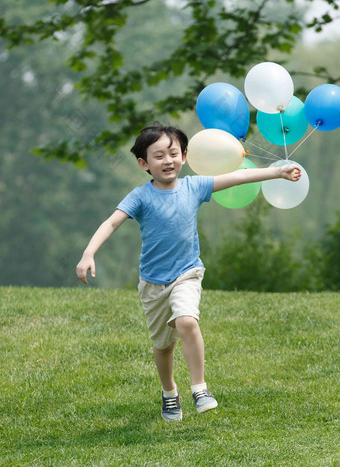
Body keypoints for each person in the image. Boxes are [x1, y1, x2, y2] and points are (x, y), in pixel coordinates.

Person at [76, 124, 301, 422]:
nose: (168, 160)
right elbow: (111, 223)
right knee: (163, 346)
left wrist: (277, 172)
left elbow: (237, 177)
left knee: (186, 321)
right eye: (158, 156)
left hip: (187, 273)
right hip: (153, 283)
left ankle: (200, 388)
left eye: (173, 153)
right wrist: (89, 253)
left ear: (184, 156)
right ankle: (170, 393)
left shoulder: (194, 186)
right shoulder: (140, 196)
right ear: (144, 163)